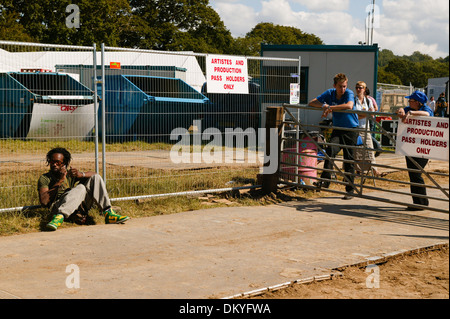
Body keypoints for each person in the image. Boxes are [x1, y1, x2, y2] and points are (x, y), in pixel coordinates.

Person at [38, 147, 130, 231]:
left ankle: (108, 213)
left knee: (96, 178)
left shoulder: (70, 175)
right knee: (81, 188)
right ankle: (59, 217)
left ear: (64, 164)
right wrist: (60, 181)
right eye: (51, 162)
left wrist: (81, 174)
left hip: (76, 206)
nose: (54, 165)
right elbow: (44, 202)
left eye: (58, 162)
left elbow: (94, 175)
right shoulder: (45, 178)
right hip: (57, 208)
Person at [308, 73, 359, 200]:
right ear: (334, 86)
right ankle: (325, 180)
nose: (343, 89)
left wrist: (330, 108)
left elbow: (349, 105)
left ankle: (350, 190)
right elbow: (312, 103)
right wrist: (323, 105)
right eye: (340, 86)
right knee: (330, 150)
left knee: (349, 159)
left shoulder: (349, 93)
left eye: (345, 86)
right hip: (337, 128)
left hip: (351, 129)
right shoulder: (330, 93)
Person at [396, 90, 433, 210]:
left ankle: (422, 202)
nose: (409, 102)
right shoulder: (409, 108)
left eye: (411, 100)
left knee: (416, 173)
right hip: (411, 145)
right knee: (412, 173)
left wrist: (411, 112)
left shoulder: (427, 109)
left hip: (424, 146)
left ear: (417, 103)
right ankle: (417, 202)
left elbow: (427, 115)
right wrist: (402, 110)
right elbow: (401, 110)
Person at [354, 81, 384, 177]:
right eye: (357, 87)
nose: (359, 89)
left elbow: (372, 113)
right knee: (357, 151)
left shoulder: (368, 100)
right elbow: (354, 116)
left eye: (361, 87)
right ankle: (357, 171)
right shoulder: (353, 100)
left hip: (365, 127)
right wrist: (366, 113)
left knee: (370, 149)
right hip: (355, 128)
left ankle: (375, 171)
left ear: (365, 89)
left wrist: (363, 114)